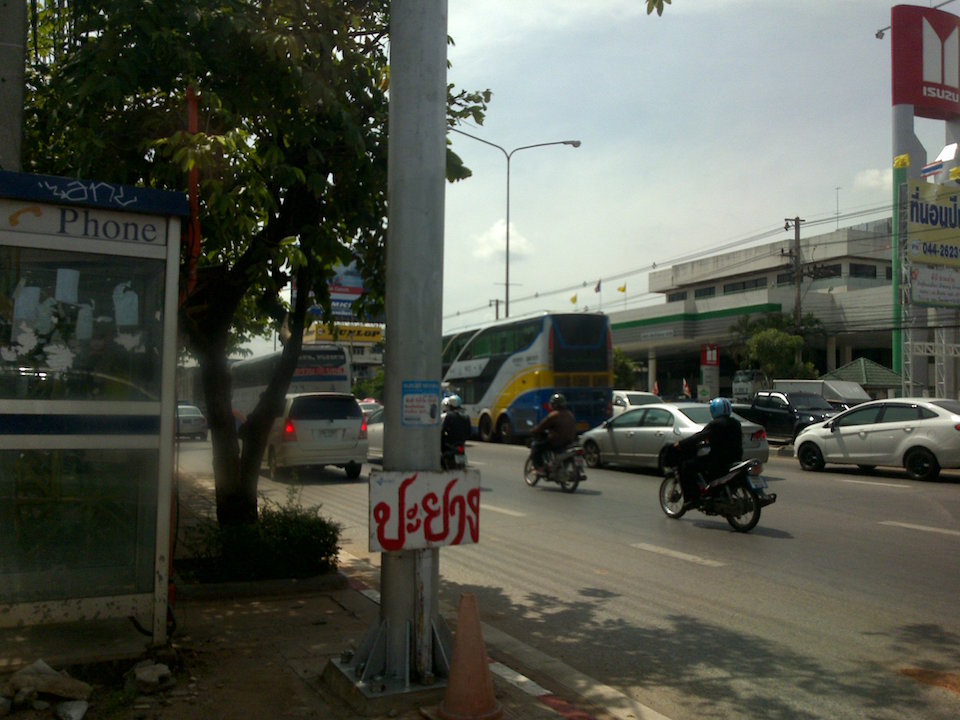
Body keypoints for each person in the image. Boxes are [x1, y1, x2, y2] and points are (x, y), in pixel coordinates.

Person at [674, 397, 742, 509]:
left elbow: (699, 436)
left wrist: (681, 444)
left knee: (687, 466)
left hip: (718, 460)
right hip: (735, 458)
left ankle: (692, 498)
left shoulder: (716, 424)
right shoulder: (735, 423)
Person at [529, 393, 578, 473]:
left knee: (536, 447)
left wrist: (534, 431)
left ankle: (539, 468)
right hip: (569, 441)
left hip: (557, 442)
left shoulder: (554, 415)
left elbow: (542, 426)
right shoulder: (570, 414)